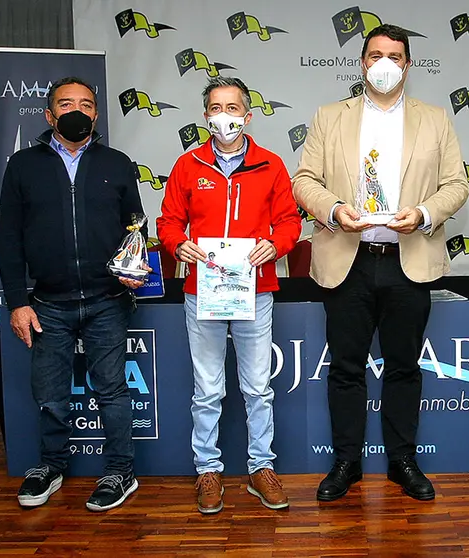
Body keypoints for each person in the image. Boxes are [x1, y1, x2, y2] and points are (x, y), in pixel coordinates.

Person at [292, 24, 469, 502]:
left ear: (408, 65)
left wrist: (425, 213)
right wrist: (333, 210)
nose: (385, 64)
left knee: (404, 366)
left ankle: (402, 460)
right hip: (346, 258)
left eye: (395, 55)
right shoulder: (330, 117)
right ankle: (346, 462)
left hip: (407, 259)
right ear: (362, 62)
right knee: (345, 367)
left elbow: (457, 184)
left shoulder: (435, 119)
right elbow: (305, 180)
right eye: (376, 55)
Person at [0, 77, 147, 511]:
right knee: (50, 392)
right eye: (66, 104)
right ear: (49, 115)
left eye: (85, 103)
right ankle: (51, 466)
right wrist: (17, 301)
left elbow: (136, 226)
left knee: (113, 391)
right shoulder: (23, 165)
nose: (76, 110)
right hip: (47, 302)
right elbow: (8, 238)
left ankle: (121, 471)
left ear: (96, 114)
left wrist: (133, 264)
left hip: (107, 300)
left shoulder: (117, 162)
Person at [156, 76, 301, 515]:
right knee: (207, 389)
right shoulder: (188, 165)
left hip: (253, 291)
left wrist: (275, 245)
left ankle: (261, 468)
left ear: (248, 114)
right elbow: (167, 221)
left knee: (258, 388)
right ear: (206, 117)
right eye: (217, 108)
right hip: (204, 292)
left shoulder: (271, 165)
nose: (225, 116)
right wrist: (177, 243)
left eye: (233, 107)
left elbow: (290, 222)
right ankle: (208, 470)